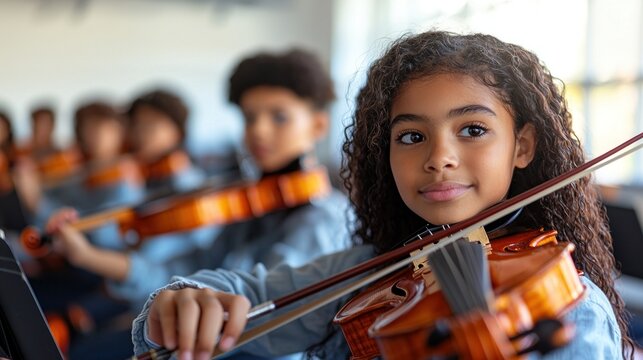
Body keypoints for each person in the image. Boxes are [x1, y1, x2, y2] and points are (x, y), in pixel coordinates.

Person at [131, 31, 634, 360]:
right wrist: (179, 303)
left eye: (473, 130)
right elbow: (250, 292)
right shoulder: (378, 269)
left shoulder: (569, 308)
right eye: (411, 137)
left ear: (522, 146)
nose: (440, 157)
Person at [46, 49, 348, 315]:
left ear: (319, 124)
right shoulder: (251, 206)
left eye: (279, 117)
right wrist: (85, 255)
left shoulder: (320, 220)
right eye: (249, 118)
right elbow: (178, 273)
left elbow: (269, 310)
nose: (258, 131)